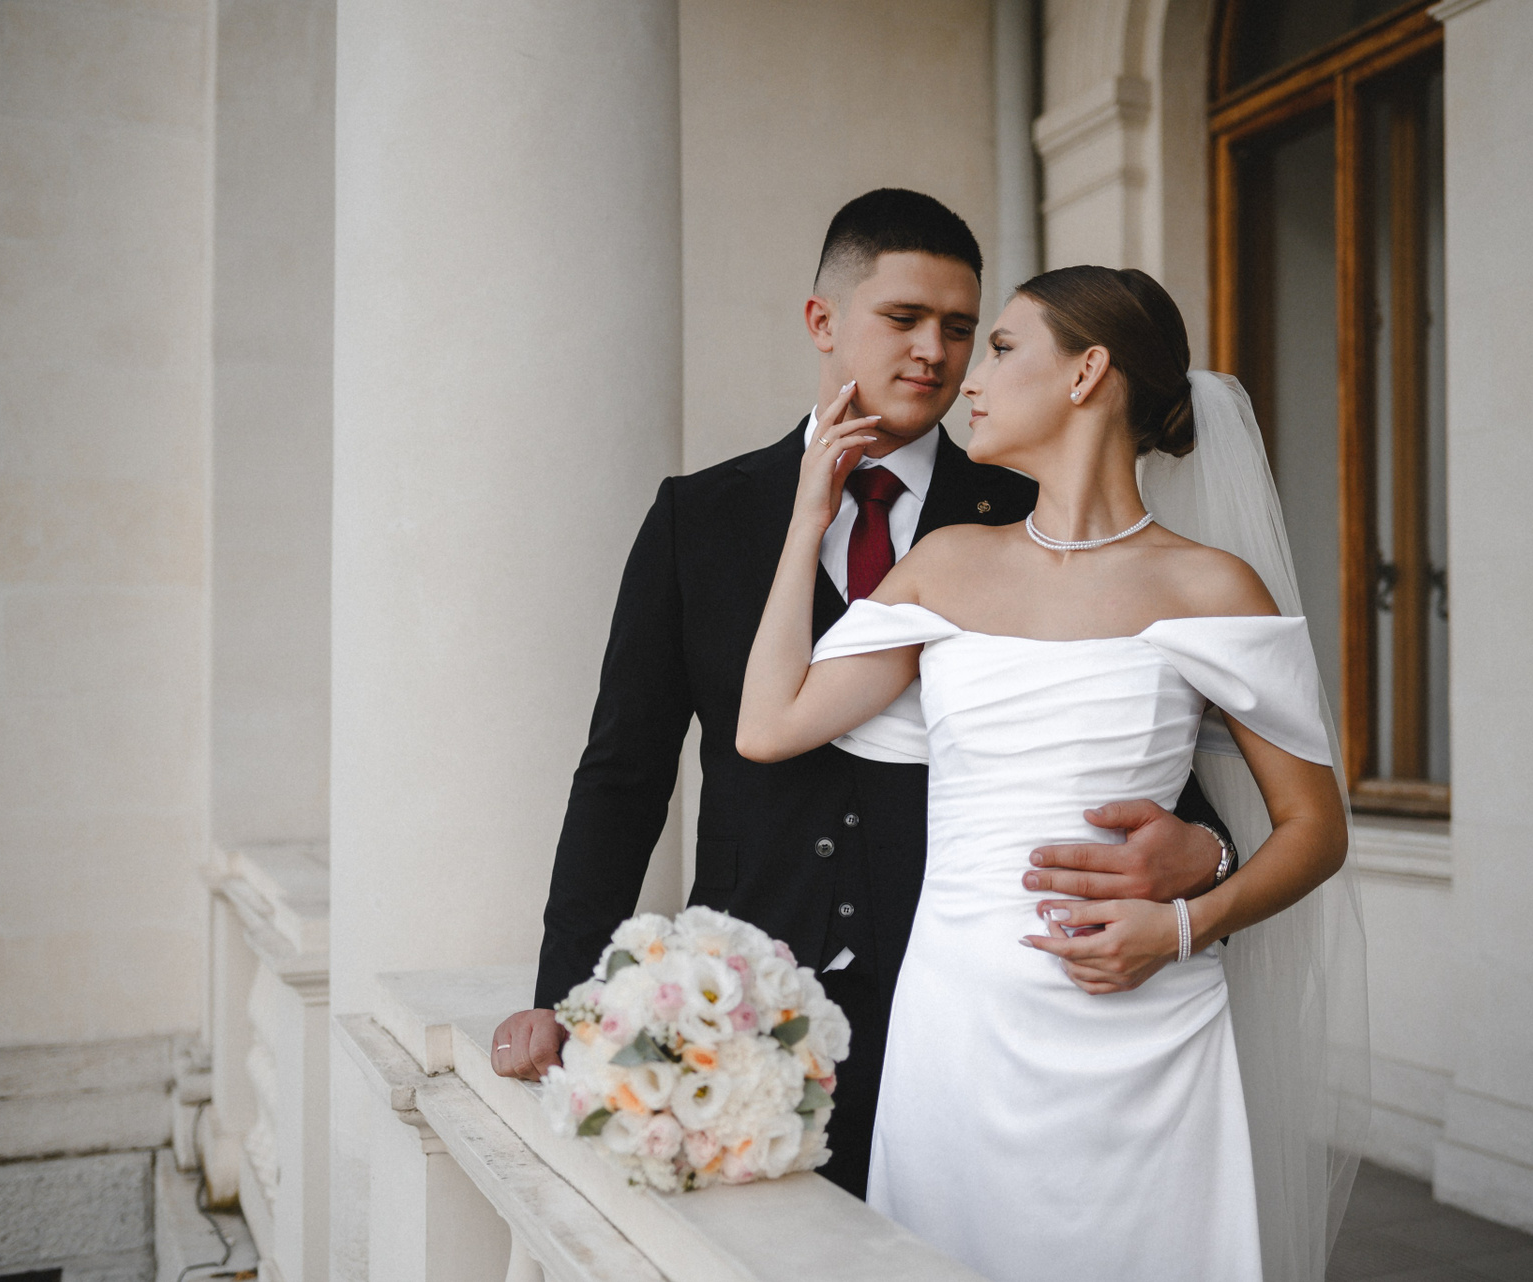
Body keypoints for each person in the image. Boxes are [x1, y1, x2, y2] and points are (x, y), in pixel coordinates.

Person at [489, 191, 1241, 1200]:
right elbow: (623, 775)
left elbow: (1129, 747)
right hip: (744, 1014)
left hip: (967, 1009)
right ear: (822, 321)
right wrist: (565, 992)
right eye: (903, 318)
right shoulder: (699, 517)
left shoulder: (1028, 516)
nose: (936, 351)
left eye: (962, 328)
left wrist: (1209, 853)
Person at [735, 265, 1361, 1281]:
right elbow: (769, 725)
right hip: (958, 1028)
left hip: (1141, 1031)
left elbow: (1317, 829)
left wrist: (1183, 926)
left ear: (1086, 372)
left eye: (1000, 347)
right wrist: (811, 513)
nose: (970, 378)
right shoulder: (947, 562)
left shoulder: (1209, 585)